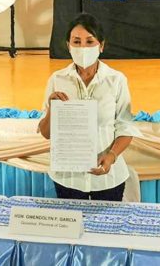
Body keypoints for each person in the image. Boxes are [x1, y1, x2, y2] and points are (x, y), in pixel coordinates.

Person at [38, 13, 140, 201]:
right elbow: (46, 133)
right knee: (71, 228)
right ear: (68, 45)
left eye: (89, 42)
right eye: (76, 42)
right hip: (68, 178)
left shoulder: (116, 80)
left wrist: (111, 156)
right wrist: (53, 109)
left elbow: (125, 127)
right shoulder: (57, 80)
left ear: (101, 45)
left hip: (108, 179)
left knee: (107, 228)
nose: (83, 48)